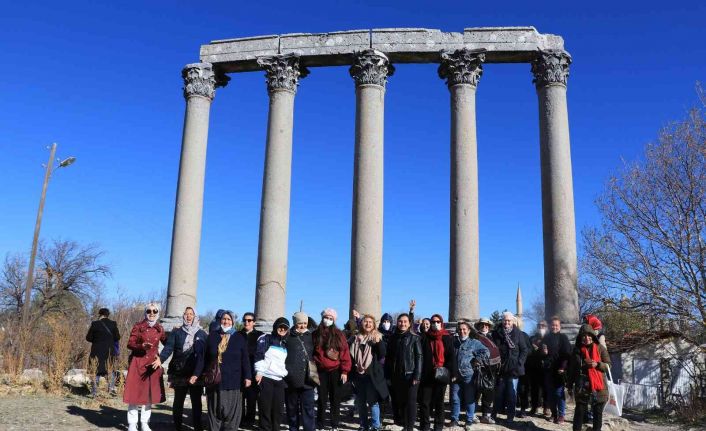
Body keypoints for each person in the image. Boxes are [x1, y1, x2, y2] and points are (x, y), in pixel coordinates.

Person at [153, 307, 207, 431]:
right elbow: (168, 348)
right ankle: (178, 427)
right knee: (178, 401)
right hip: (180, 372)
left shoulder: (202, 333)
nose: (188, 316)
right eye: (186, 314)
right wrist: (160, 359)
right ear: (183, 316)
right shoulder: (176, 332)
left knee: (196, 402)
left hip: (195, 373)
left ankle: (198, 427)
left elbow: (205, 354)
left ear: (195, 316)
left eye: (191, 314)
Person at [204, 309, 252, 431]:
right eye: (224, 319)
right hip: (216, 380)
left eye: (229, 319)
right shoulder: (212, 336)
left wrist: (248, 376)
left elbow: (245, 359)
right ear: (220, 320)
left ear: (233, 321)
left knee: (232, 414)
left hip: (233, 381)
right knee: (215, 412)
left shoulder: (240, 337)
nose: (226, 321)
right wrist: (201, 374)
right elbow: (205, 358)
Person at [124, 303, 167, 431]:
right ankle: (132, 423)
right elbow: (130, 343)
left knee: (149, 395)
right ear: (145, 312)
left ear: (158, 313)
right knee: (134, 394)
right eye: (149, 311)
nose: (152, 313)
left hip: (152, 365)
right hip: (138, 362)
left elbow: (168, 343)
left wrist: (177, 335)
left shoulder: (160, 328)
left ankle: (144, 422)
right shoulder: (138, 326)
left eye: (155, 311)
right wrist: (141, 346)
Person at [313, 308, 352, 431]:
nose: (327, 320)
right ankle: (320, 424)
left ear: (334, 320)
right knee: (321, 399)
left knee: (335, 399)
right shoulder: (315, 334)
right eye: (326, 317)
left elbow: (345, 353)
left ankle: (334, 425)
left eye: (330, 318)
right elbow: (311, 353)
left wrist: (345, 371)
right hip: (320, 371)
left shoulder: (339, 334)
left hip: (336, 371)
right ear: (322, 317)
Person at [568, 324, 611, 431]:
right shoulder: (576, 350)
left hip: (599, 385)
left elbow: (608, 365)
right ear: (580, 337)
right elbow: (572, 369)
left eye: (588, 335)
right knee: (579, 412)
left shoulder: (600, 348)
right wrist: (569, 385)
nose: (586, 338)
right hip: (582, 386)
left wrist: (597, 364)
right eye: (583, 336)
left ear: (592, 335)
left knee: (597, 413)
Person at [350, 314, 388, 431]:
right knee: (361, 403)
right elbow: (350, 355)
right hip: (358, 375)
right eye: (365, 321)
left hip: (372, 375)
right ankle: (363, 425)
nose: (368, 324)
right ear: (361, 323)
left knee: (373, 402)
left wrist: (378, 342)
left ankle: (376, 426)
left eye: (370, 322)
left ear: (374, 325)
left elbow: (382, 354)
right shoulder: (356, 338)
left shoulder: (377, 337)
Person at [385, 313, 422, 431]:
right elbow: (389, 358)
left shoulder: (414, 338)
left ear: (409, 323)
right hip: (396, 375)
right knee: (399, 400)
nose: (403, 323)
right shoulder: (393, 338)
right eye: (400, 321)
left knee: (410, 402)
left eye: (405, 321)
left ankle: (409, 427)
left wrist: (417, 375)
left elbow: (419, 357)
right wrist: (387, 375)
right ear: (397, 323)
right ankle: (400, 423)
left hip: (410, 374)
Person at [419, 314, 456, 431]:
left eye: (438, 321)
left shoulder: (447, 337)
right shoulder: (425, 337)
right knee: (425, 402)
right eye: (433, 322)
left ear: (442, 323)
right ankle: (425, 425)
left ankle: (438, 425)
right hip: (426, 374)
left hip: (441, 374)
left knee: (439, 402)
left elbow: (451, 357)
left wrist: (453, 373)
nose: (435, 324)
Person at [490, 312, 528, 424]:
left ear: (513, 322)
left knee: (512, 394)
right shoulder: (496, 334)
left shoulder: (518, 334)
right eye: (505, 320)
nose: (507, 322)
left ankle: (510, 416)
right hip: (501, 369)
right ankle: (494, 415)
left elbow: (524, 350)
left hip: (514, 369)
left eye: (509, 321)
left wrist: (519, 363)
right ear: (502, 321)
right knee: (499, 394)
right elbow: (493, 349)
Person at [254, 317, 290, 431]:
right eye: (280, 327)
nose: (282, 329)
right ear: (276, 327)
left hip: (279, 380)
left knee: (278, 409)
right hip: (267, 378)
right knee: (265, 408)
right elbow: (259, 354)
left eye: (285, 328)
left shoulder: (285, 343)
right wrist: (259, 372)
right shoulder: (266, 338)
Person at [452, 321, 489, 430]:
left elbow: (486, 351)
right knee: (455, 398)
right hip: (455, 375)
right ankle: (454, 419)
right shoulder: (454, 342)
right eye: (460, 329)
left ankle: (469, 420)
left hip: (469, 375)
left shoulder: (474, 342)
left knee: (469, 398)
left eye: (464, 329)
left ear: (468, 330)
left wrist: (477, 360)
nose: (462, 331)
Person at [285, 312, 317, 431]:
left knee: (308, 409)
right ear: (295, 323)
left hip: (308, 380)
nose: (303, 326)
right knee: (292, 409)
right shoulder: (287, 336)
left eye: (305, 323)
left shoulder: (312, 336)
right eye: (300, 323)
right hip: (291, 379)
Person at [540, 316, 571, 424]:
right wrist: (543, 352)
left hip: (559, 369)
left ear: (560, 326)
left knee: (559, 393)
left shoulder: (563, 338)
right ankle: (554, 414)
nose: (554, 327)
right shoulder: (546, 338)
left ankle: (561, 415)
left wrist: (563, 367)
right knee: (550, 393)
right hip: (548, 369)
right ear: (550, 326)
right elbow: (541, 352)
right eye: (553, 325)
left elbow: (567, 354)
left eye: (556, 325)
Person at [86, 307, 120, 397]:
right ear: (108, 315)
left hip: (96, 351)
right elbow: (117, 337)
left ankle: (94, 392)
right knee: (110, 370)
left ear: (100, 314)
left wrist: (96, 339)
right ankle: (110, 390)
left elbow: (88, 338)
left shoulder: (95, 324)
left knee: (95, 370)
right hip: (109, 352)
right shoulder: (113, 324)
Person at [240, 312, 264, 427]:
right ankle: (239, 420)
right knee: (240, 398)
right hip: (239, 371)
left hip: (253, 371)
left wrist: (260, 371)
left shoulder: (260, 335)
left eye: (249, 320)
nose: (246, 322)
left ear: (254, 322)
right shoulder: (238, 335)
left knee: (251, 399)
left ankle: (249, 421)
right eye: (245, 320)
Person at [473, 318, 498, 424]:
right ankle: (472, 414)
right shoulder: (474, 337)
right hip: (478, 368)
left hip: (491, 369)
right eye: (482, 325)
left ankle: (486, 415)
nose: (484, 327)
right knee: (475, 393)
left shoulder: (493, 338)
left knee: (489, 393)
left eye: (486, 325)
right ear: (478, 326)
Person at [525, 320, 548, 417]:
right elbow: (527, 350)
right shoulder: (532, 338)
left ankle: (546, 408)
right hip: (534, 367)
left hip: (546, 367)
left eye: (543, 325)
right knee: (534, 389)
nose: (541, 327)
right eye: (539, 325)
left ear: (546, 327)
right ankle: (534, 407)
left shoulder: (549, 338)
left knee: (546, 388)